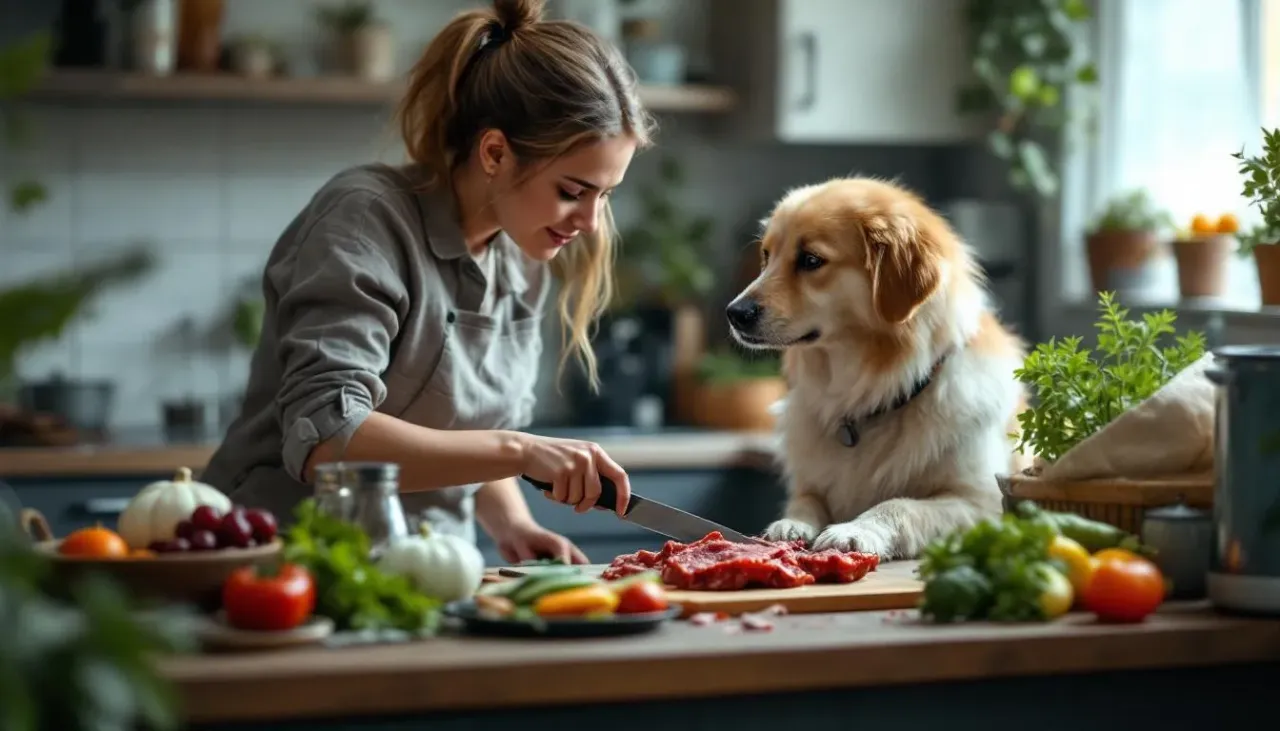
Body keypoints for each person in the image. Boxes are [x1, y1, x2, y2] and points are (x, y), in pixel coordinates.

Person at [201, 0, 655, 565]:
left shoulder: (521, 260)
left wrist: (513, 523)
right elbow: (328, 438)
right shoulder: (366, 217)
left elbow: (466, 440)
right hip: (279, 568)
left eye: (604, 196)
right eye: (573, 190)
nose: (589, 223)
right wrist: (521, 451)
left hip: (427, 577)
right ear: (495, 152)